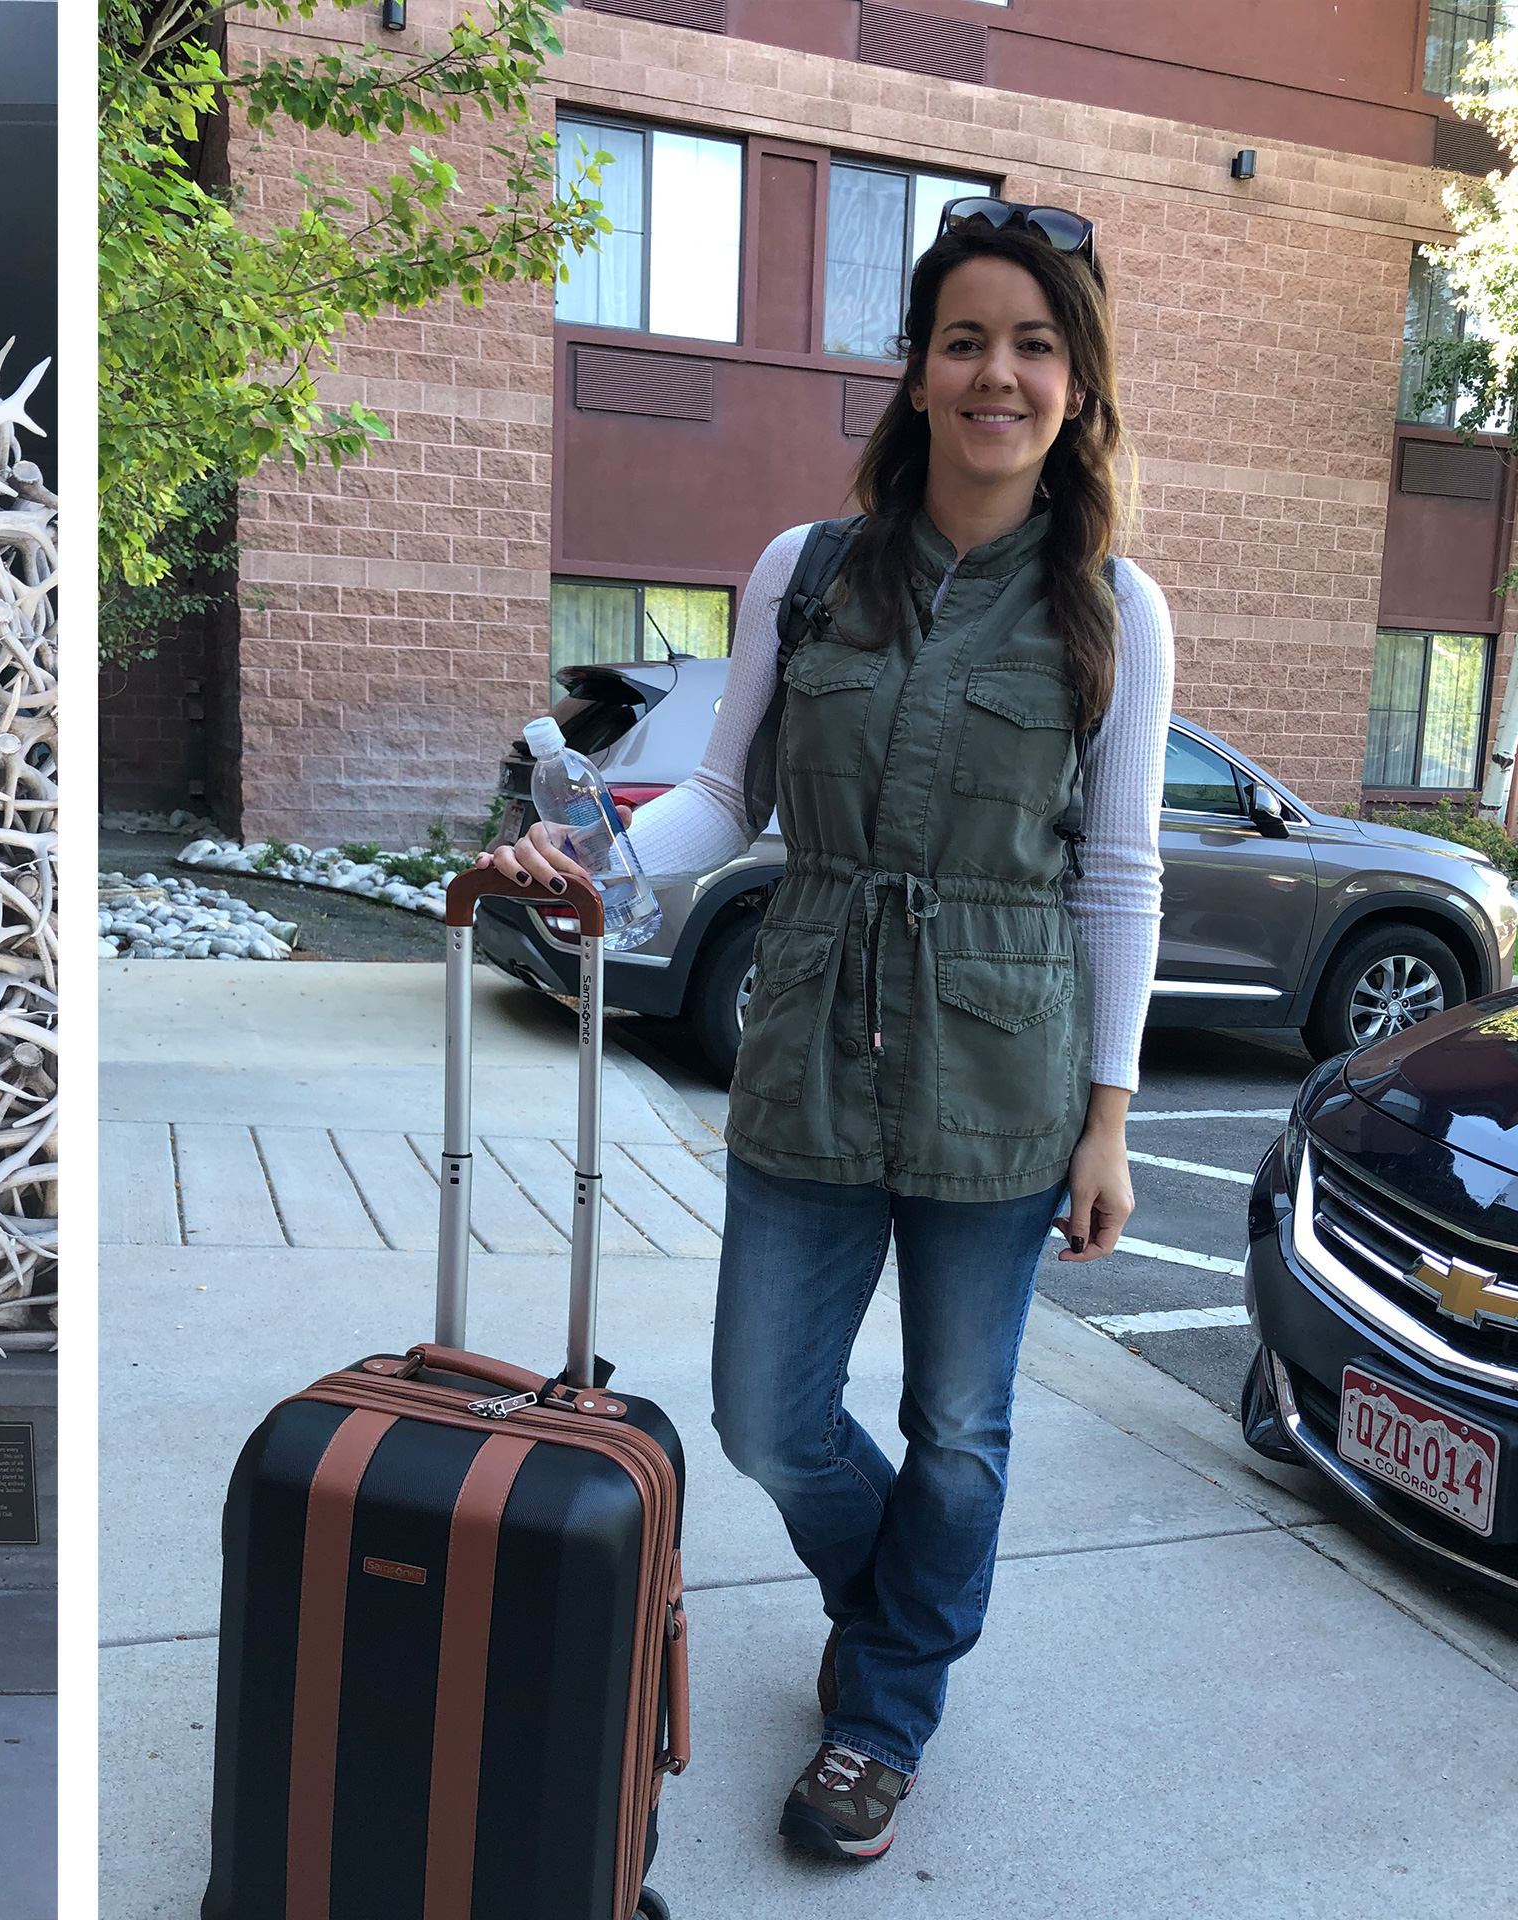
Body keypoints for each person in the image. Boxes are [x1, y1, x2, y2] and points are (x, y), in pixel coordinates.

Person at [485, 199, 1172, 1864]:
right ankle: (896, 1623)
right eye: (965, 340)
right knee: (766, 1417)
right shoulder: (807, 573)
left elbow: (1121, 871)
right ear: (917, 370)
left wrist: (1109, 1119)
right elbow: (727, 796)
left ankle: (882, 1715)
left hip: (1003, 1076)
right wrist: (596, 863)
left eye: (1034, 345)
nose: (997, 374)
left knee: (960, 1429)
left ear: (1078, 383)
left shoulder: (1112, 607)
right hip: (809, 1052)